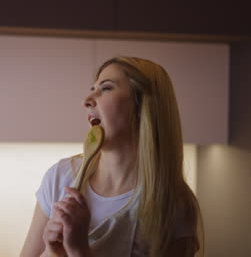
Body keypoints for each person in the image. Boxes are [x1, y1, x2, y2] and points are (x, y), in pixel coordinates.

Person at [20, 56, 204, 257]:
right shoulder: (61, 177)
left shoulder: (173, 203)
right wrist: (53, 252)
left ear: (142, 107)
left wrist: (79, 250)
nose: (87, 100)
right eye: (93, 89)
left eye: (106, 88)